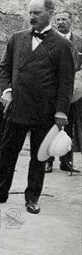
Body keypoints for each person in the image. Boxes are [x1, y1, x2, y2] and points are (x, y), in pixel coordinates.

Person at [0, 0, 75, 214]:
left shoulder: (62, 45)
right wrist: (7, 90)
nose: (32, 17)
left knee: (39, 157)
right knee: (7, 151)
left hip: (45, 111)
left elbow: (66, 82)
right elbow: (4, 68)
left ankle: (32, 197)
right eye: (30, 13)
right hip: (16, 106)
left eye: (37, 13)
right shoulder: (16, 38)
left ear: (50, 13)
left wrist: (61, 112)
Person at [43, 9, 82, 174]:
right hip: (54, 90)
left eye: (64, 19)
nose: (60, 22)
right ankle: (47, 161)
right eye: (57, 19)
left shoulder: (80, 41)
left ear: (71, 21)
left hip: (75, 90)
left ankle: (66, 161)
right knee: (50, 124)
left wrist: (77, 80)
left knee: (70, 124)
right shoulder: (49, 40)